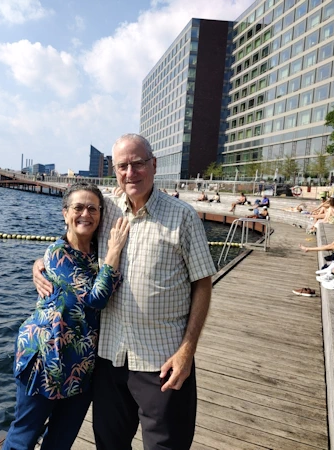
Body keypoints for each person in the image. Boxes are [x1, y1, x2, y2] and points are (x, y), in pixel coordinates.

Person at [33, 133, 216, 449]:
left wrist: (187, 351)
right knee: (109, 444)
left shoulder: (182, 216)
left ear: (153, 165)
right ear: (114, 171)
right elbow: (74, 239)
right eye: (122, 166)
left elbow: (202, 283)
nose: (130, 173)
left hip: (162, 360)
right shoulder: (106, 211)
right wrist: (41, 263)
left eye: (138, 164)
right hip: (109, 357)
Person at [4, 182, 130, 450]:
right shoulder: (58, 253)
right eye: (78, 208)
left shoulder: (96, 252)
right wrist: (115, 250)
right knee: (23, 436)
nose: (86, 214)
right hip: (45, 358)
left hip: (81, 363)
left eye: (93, 208)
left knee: (62, 439)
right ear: (65, 214)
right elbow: (96, 299)